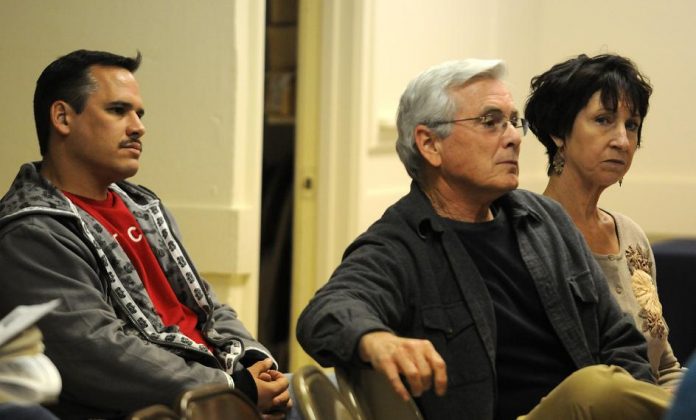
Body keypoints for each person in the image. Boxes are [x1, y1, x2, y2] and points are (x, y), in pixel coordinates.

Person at [296, 59, 672, 419]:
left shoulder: (547, 221)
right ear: (430, 145)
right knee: (594, 389)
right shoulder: (399, 245)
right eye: (491, 122)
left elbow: (622, 342)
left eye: (513, 122)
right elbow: (325, 312)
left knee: (603, 388)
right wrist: (376, 339)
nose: (513, 138)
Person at [0, 50, 290, 418]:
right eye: (119, 111)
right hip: (161, 409)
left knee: (315, 390)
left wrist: (253, 360)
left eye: (139, 113)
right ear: (62, 117)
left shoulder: (141, 205)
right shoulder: (33, 230)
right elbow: (96, 352)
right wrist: (230, 390)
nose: (138, 126)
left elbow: (206, 306)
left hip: (217, 387)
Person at [524, 53, 684, 390]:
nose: (622, 141)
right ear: (558, 131)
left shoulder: (631, 236)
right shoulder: (529, 236)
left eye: (632, 125)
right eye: (603, 120)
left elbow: (665, 367)